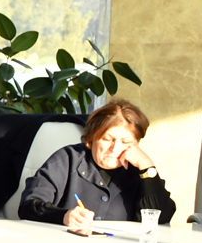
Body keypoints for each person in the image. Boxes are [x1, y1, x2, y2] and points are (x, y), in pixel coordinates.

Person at [19, 98, 176, 230]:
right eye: (107, 139)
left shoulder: (140, 171)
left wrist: (147, 166)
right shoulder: (67, 159)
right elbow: (28, 205)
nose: (115, 148)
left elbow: (160, 218)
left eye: (126, 142)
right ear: (91, 138)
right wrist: (63, 216)